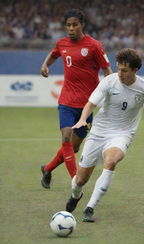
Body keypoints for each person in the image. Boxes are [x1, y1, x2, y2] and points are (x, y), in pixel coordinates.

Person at [65, 48, 144, 222]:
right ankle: (76, 195)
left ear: (135, 70)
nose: (120, 74)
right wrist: (83, 119)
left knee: (111, 161)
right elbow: (90, 104)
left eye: (125, 70)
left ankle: (90, 207)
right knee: (80, 180)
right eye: (118, 69)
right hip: (99, 132)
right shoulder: (109, 81)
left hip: (122, 134)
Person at [40, 9, 112, 189]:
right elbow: (54, 53)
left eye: (74, 25)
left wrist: (111, 91)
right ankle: (75, 181)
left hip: (87, 104)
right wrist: (45, 65)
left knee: (74, 147)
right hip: (66, 101)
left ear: (82, 25)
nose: (71, 29)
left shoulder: (94, 46)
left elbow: (107, 71)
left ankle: (47, 169)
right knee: (66, 138)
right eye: (68, 25)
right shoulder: (62, 43)